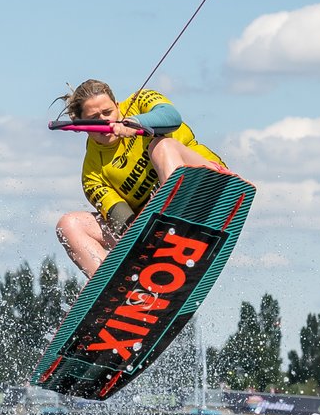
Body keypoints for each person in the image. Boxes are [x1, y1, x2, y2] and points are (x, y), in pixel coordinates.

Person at [54, 79, 229, 277]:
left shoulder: (140, 101)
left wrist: (136, 123)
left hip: (209, 183)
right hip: (161, 233)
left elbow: (172, 116)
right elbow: (124, 223)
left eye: (108, 112)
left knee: (161, 146)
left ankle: (179, 220)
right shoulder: (92, 173)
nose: (104, 121)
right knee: (68, 224)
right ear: (81, 125)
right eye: (94, 118)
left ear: (117, 105)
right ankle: (116, 285)